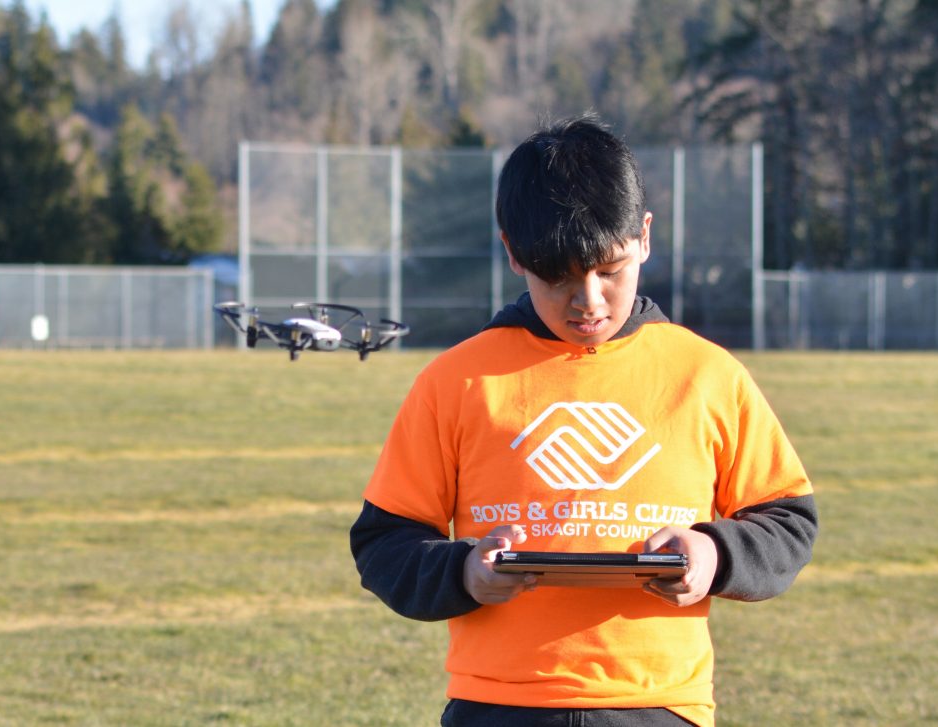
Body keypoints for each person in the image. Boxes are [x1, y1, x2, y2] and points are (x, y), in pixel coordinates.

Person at [349, 114, 817, 727]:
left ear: (645, 237)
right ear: (513, 252)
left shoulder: (707, 375)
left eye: (610, 270)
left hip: (659, 707)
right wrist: (463, 571)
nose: (588, 301)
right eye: (558, 277)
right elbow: (385, 542)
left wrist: (711, 555)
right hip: (500, 706)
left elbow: (788, 520)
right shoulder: (457, 381)